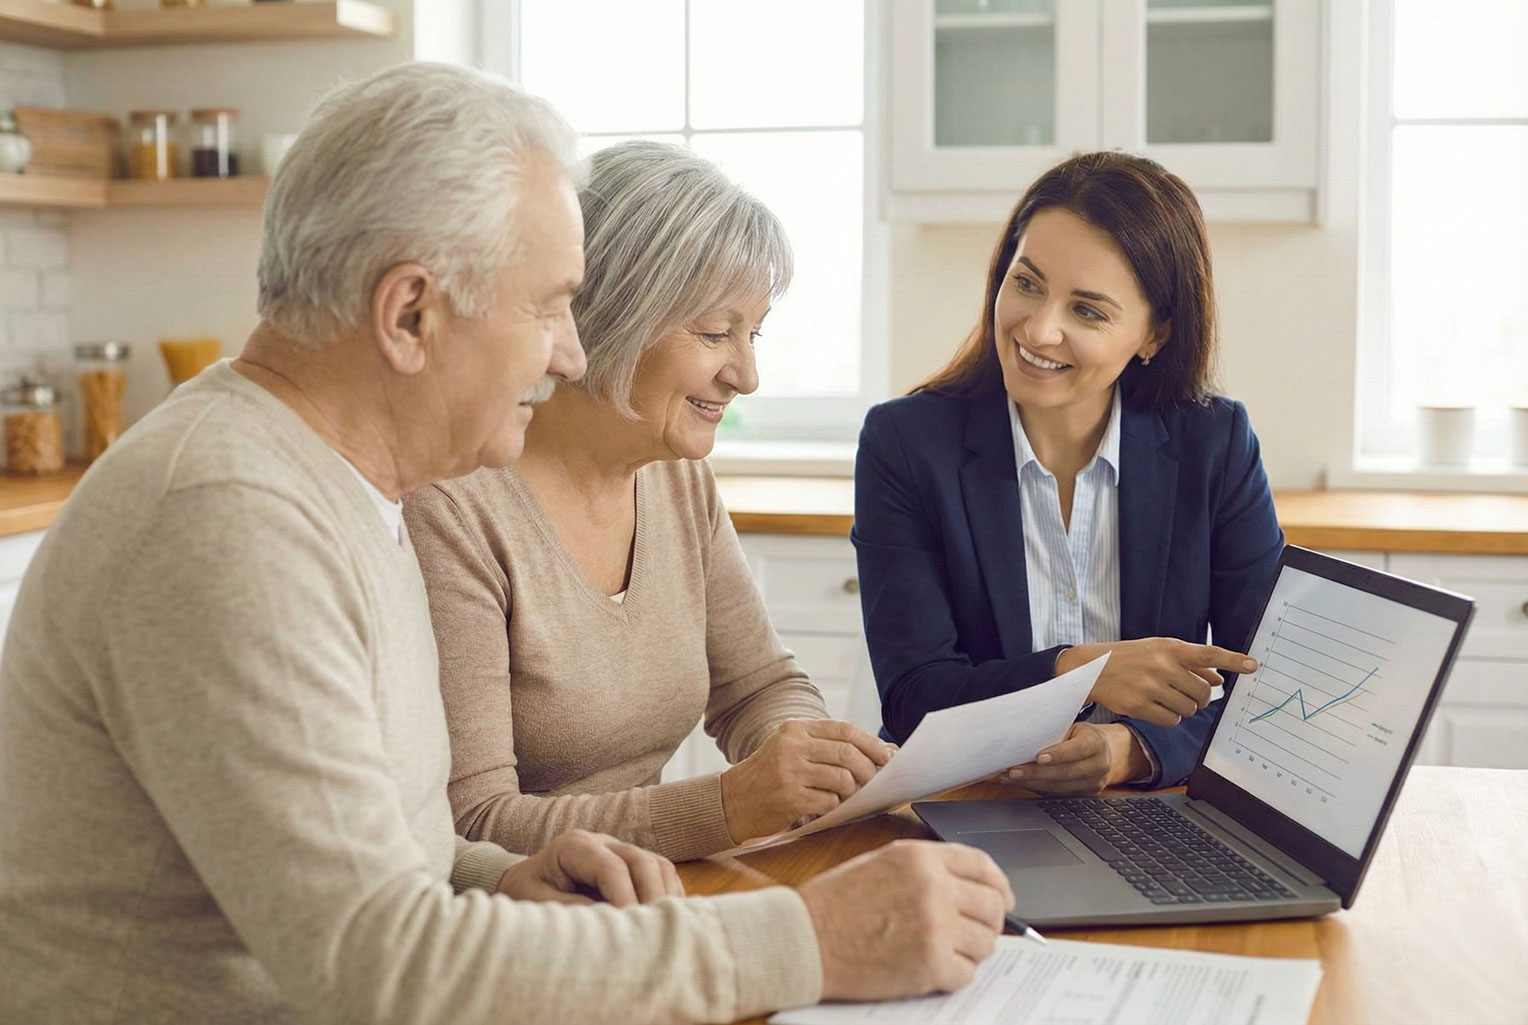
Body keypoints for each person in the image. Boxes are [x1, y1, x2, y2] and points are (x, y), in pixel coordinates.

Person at [0, 64, 1013, 1025]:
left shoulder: (349, 487)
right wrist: (807, 937)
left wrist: (509, 876)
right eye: (548, 306)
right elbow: (379, 962)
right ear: (409, 314)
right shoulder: (228, 516)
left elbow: (405, 855)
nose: (571, 351)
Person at [405, 140, 893, 859]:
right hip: (532, 925)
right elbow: (471, 824)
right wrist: (730, 805)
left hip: (660, 887)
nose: (746, 375)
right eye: (714, 332)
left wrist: (808, 755)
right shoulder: (455, 507)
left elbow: (758, 685)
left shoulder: (672, 476)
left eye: (752, 334)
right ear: (608, 314)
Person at [853, 151, 1283, 794]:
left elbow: (1270, 689)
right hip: (964, 798)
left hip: (1145, 812)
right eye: (1026, 283)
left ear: (1154, 336)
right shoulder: (907, 443)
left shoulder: (1213, 442)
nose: (1039, 329)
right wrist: (1079, 671)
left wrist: (1132, 749)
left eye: (1087, 310)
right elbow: (916, 696)